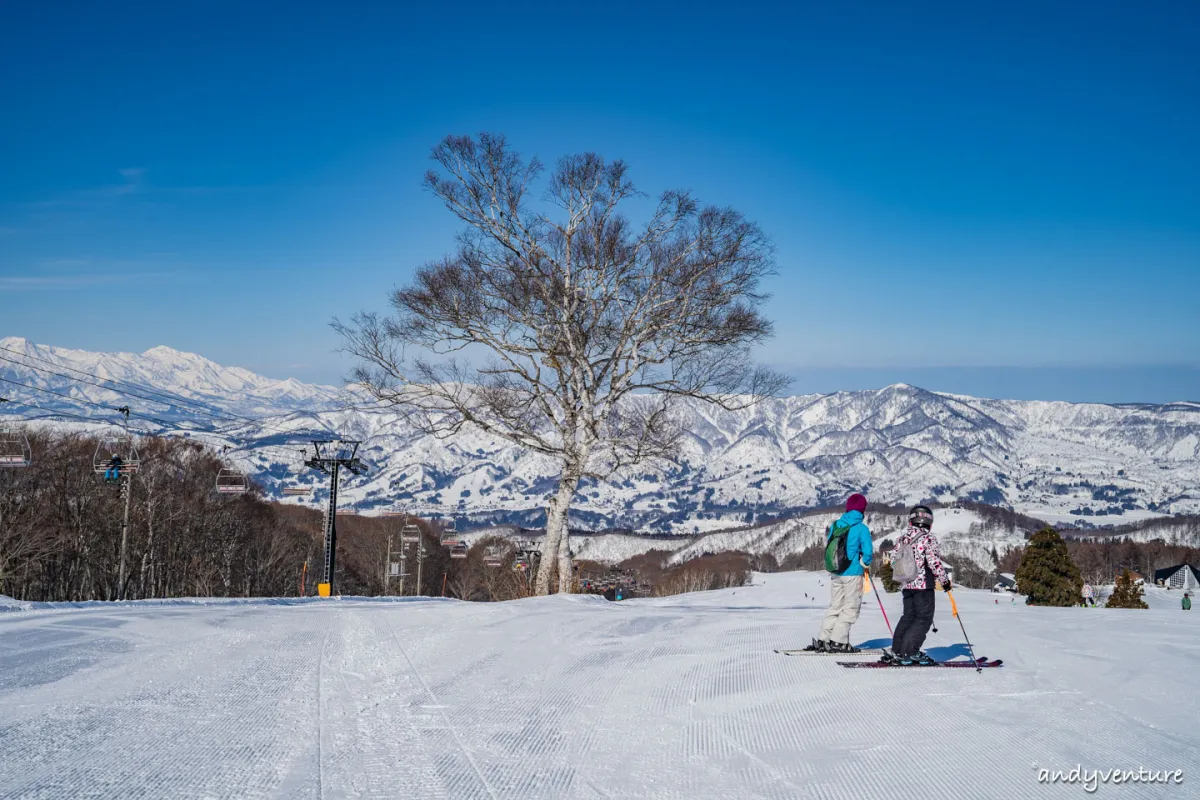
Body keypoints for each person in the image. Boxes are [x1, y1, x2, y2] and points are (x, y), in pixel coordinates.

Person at [803, 493, 873, 653]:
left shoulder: (836, 525)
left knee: (835, 606)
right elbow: (868, 553)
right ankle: (838, 641)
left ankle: (824, 638)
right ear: (862, 510)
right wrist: (864, 562)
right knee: (850, 607)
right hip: (852, 573)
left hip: (836, 572)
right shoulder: (861, 528)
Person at [888, 506, 951, 666]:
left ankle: (897, 650)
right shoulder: (928, 539)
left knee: (908, 616)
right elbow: (934, 562)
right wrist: (944, 580)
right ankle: (910, 652)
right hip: (923, 585)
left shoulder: (902, 539)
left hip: (906, 584)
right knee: (923, 618)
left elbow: (893, 561)